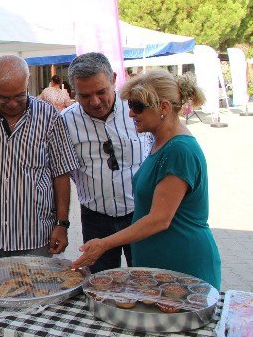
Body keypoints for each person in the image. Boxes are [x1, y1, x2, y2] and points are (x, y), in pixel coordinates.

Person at [73, 69, 221, 289]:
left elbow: (159, 219)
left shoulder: (179, 150)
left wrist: (104, 244)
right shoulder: (161, 142)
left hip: (181, 264)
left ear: (163, 107)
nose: (131, 114)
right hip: (161, 263)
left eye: (137, 106)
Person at [0, 55, 79, 259]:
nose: (11, 104)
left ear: (27, 83)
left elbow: (61, 174)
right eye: (3, 98)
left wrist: (62, 224)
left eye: (19, 96)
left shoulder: (49, 117)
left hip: (37, 236)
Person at [61, 52, 151, 273]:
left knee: (143, 279)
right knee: (100, 282)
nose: (95, 101)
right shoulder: (65, 122)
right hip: (95, 219)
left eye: (101, 92)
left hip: (140, 215)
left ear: (113, 79)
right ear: (73, 92)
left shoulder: (139, 110)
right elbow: (62, 172)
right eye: (84, 96)